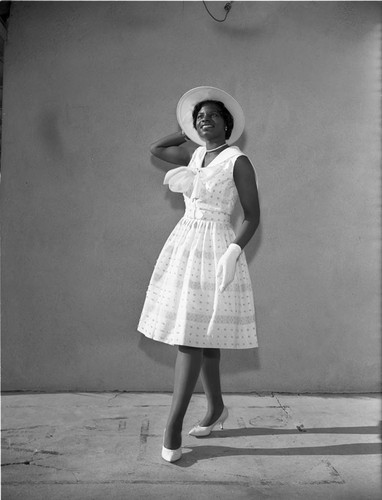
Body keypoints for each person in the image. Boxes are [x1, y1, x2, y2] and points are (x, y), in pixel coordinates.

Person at [138, 86, 260, 463]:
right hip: (185, 243)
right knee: (204, 337)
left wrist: (234, 251)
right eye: (198, 117)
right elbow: (158, 149)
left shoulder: (238, 161)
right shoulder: (195, 154)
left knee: (192, 336)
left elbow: (253, 216)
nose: (204, 119)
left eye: (211, 115)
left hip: (217, 248)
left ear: (228, 123)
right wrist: (187, 131)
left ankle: (173, 425)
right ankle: (216, 408)